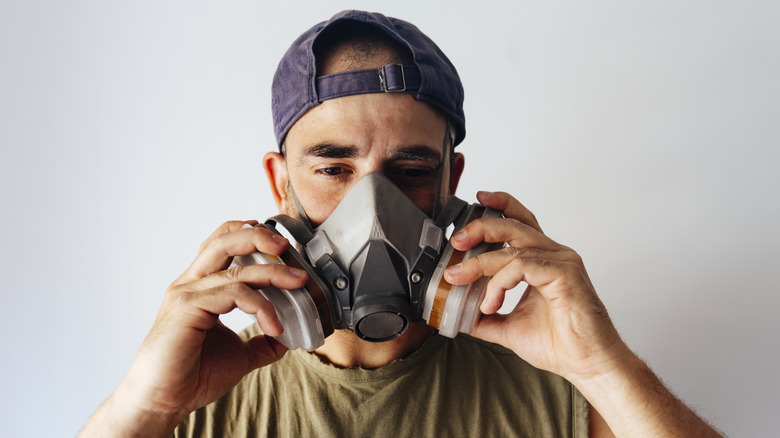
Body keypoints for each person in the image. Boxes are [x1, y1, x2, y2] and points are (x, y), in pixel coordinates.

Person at [80, 10, 721, 437]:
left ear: (451, 181)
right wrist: (146, 407)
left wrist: (602, 368)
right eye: (334, 170)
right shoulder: (203, 387)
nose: (372, 208)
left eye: (411, 170)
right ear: (280, 183)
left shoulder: (551, 389)